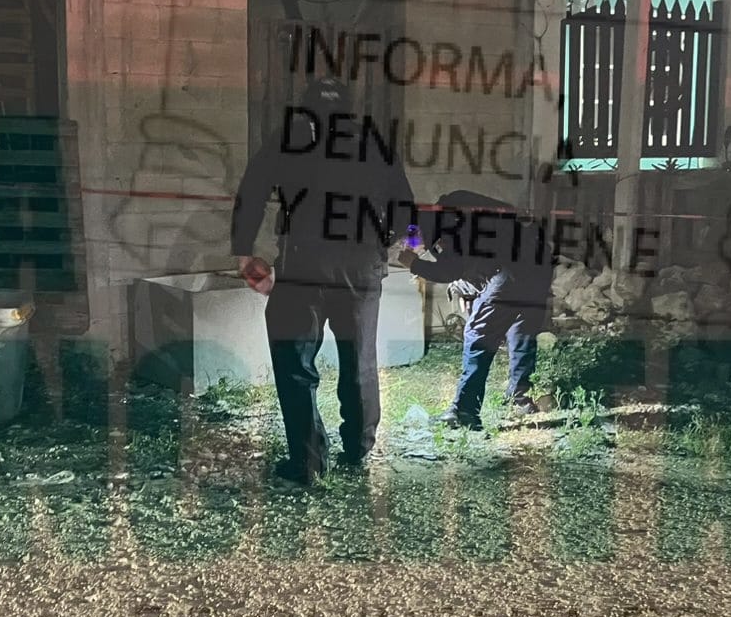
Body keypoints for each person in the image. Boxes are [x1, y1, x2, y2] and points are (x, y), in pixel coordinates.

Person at [231, 76, 418, 484]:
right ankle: (359, 446)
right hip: (361, 265)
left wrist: (244, 250)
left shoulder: (289, 138)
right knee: (359, 358)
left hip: (304, 264)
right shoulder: (374, 143)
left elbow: (253, 189)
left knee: (294, 360)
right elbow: (406, 208)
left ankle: (308, 459)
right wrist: (398, 243)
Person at [397, 190, 554, 430]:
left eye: (413, 239)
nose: (415, 244)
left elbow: (451, 269)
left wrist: (414, 264)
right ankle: (520, 399)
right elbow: (479, 256)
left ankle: (464, 411)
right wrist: (466, 288)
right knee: (520, 331)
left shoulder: (446, 220)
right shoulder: (461, 210)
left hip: (511, 273)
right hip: (539, 267)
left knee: (478, 334)